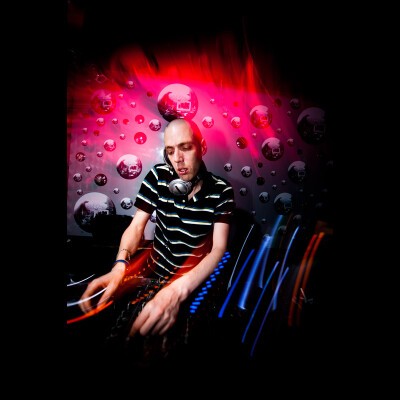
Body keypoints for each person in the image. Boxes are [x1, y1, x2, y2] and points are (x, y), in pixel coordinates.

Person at [79, 118, 236, 367]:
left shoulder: (222, 190)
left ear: (202, 147)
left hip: (194, 282)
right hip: (156, 275)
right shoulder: (158, 177)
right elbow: (136, 227)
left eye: (185, 147)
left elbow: (218, 249)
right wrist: (120, 265)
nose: (177, 159)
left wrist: (176, 292)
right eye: (170, 151)